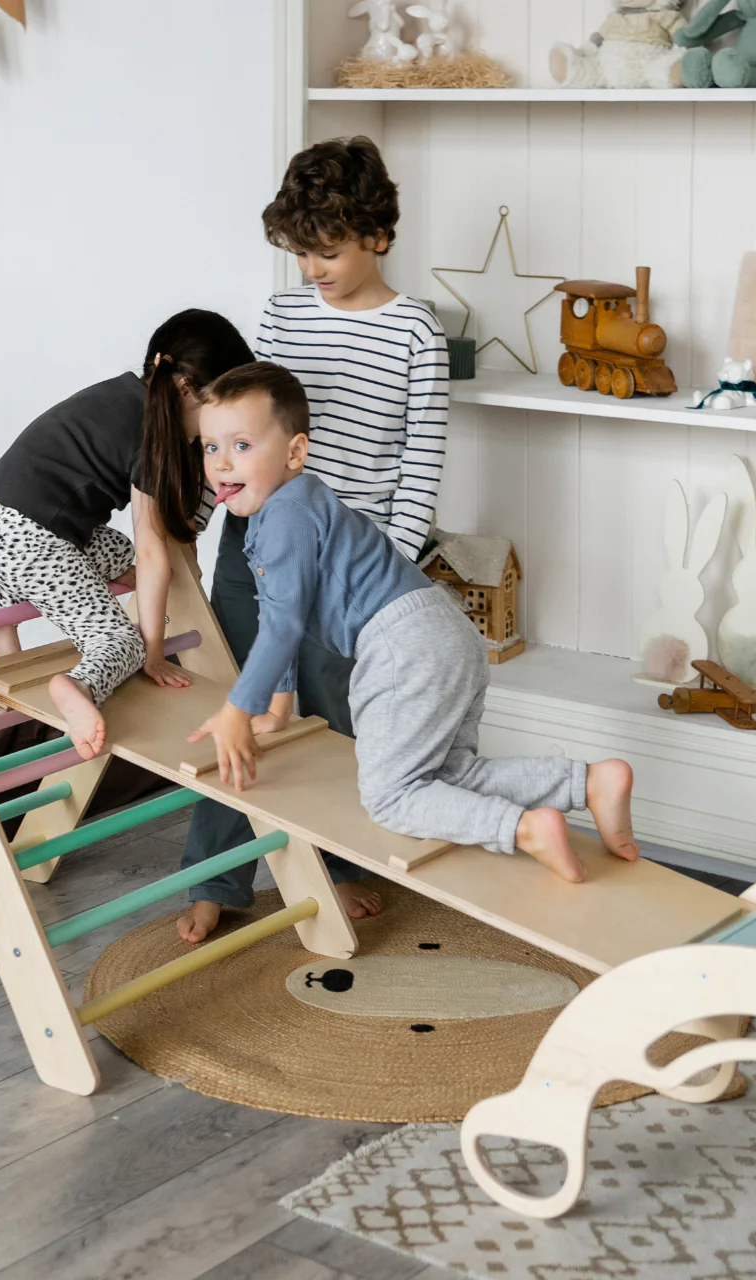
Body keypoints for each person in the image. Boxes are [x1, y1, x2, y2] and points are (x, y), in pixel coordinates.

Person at [185, 362, 640, 922]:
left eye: (242, 445)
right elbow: (284, 613)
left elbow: (280, 626)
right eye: (210, 447)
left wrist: (239, 707)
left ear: (294, 452)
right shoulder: (294, 507)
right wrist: (279, 705)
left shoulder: (284, 518)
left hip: (402, 646)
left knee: (390, 797)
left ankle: (522, 828)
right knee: (446, 778)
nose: (222, 463)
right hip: (448, 633)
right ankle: (589, 782)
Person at [176, 135, 448, 943]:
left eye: (327, 251)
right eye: (300, 254)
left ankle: (340, 865)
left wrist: (388, 569)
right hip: (254, 542)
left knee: (334, 721)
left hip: (349, 564)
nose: (313, 269)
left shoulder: (415, 333)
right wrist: (217, 504)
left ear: (379, 236)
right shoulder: (283, 312)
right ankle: (217, 877)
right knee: (241, 705)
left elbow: (420, 460)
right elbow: (245, 429)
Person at [0, 310, 253, 760]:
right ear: (186, 388)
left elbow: (144, 548)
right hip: (26, 538)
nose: (215, 431)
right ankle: (77, 687)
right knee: (121, 642)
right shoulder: (151, 435)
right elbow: (155, 552)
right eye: (219, 412)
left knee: (116, 550)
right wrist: (152, 652)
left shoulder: (124, 396)